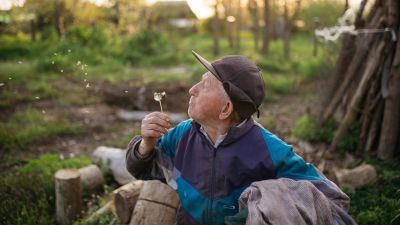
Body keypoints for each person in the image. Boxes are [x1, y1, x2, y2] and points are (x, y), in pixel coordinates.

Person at [126, 50, 355, 225]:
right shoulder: (182, 135)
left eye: (204, 85)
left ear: (225, 109)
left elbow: (334, 201)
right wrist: (145, 144)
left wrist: (273, 200)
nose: (192, 89)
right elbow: (143, 170)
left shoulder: (269, 150)